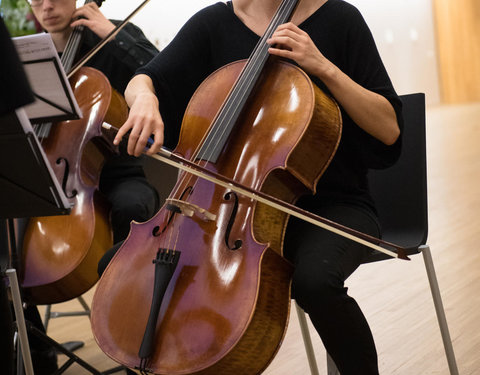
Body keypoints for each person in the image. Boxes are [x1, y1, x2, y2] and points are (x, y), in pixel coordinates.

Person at [115, 0, 403, 374]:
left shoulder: (340, 18)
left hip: (332, 207)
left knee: (316, 281)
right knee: (125, 272)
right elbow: (145, 78)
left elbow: (389, 129)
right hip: (227, 214)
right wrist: (144, 100)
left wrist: (324, 67)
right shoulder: (213, 23)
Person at [22, 0, 160, 373]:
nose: (46, 6)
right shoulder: (32, 52)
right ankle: (35, 352)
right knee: (7, 237)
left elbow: (161, 75)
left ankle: (134, 334)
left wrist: (111, 35)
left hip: (117, 169)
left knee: (134, 207)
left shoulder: (110, 31)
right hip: (55, 174)